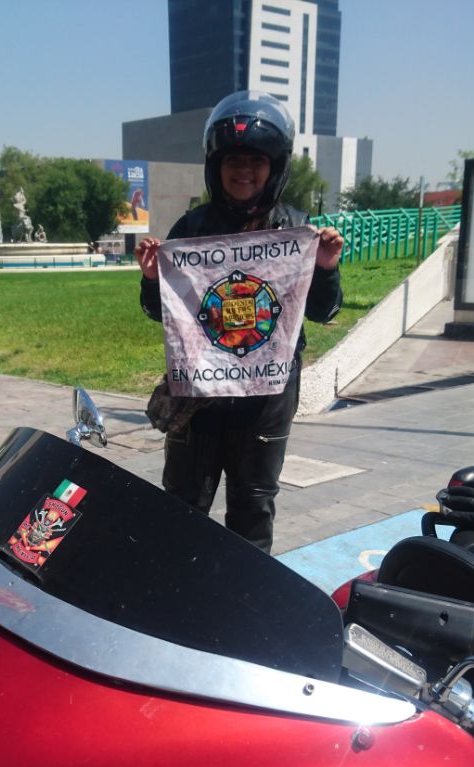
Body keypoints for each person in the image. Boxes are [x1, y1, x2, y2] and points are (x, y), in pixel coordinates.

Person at [134, 90, 344, 554]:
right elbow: (160, 313)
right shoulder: (190, 229)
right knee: (183, 503)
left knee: (253, 505)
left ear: (275, 167)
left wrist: (326, 269)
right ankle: (181, 585)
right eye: (233, 159)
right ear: (216, 165)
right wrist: (151, 279)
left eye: (256, 160)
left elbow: (324, 312)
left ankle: (245, 592)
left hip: (265, 397)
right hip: (200, 394)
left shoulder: (297, 229)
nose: (244, 170)